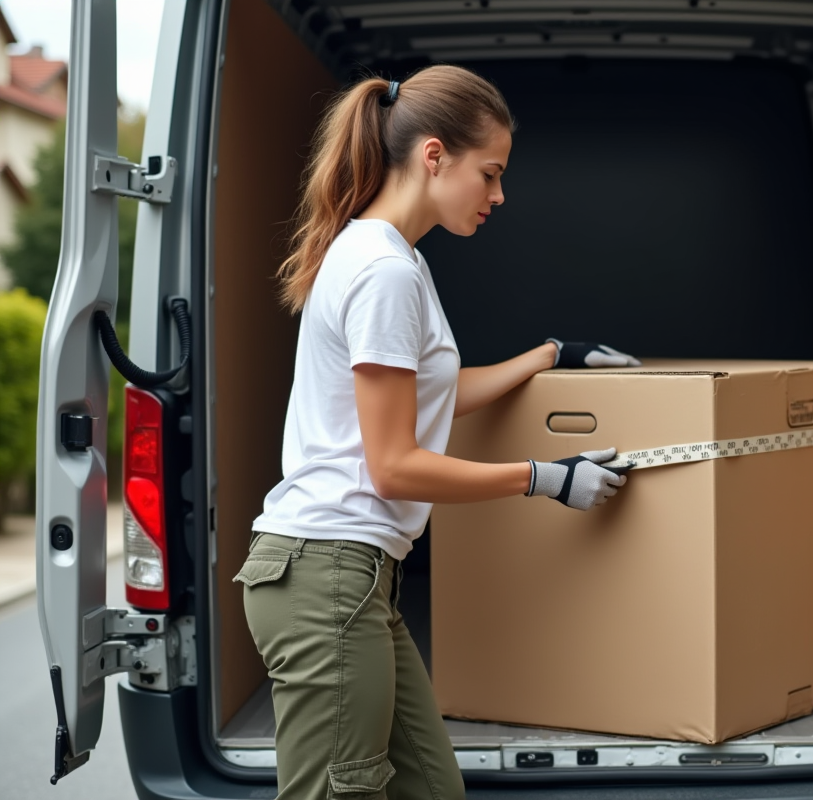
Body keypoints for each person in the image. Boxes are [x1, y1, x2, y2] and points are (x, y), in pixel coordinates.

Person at [233, 65, 637, 800]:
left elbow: (434, 399)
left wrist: (550, 355)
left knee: (431, 788)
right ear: (432, 156)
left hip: (352, 578)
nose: (499, 195)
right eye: (490, 173)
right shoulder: (384, 272)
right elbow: (394, 465)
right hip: (327, 572)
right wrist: (544, 477)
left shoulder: (394, 261)